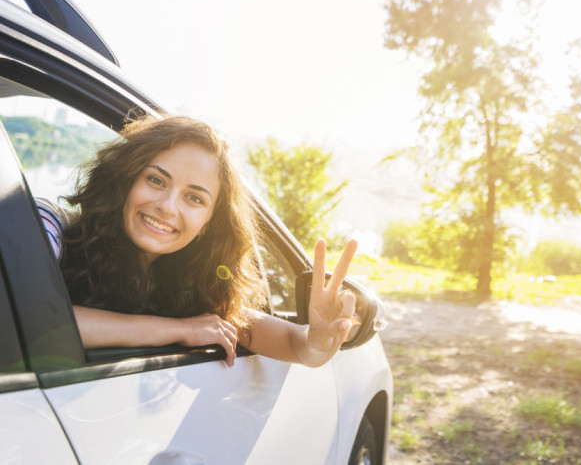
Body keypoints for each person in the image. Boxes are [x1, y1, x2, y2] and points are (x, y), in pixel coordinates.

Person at [42, 114, 357, 368]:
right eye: (155, 180)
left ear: (209, 224)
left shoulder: (193, 288)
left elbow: (296, 346)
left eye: (194, 198)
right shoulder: (49, 227)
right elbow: (31, 320)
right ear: (127, 179)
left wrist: (318, 339)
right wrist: (177, 329)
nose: (167, 206)